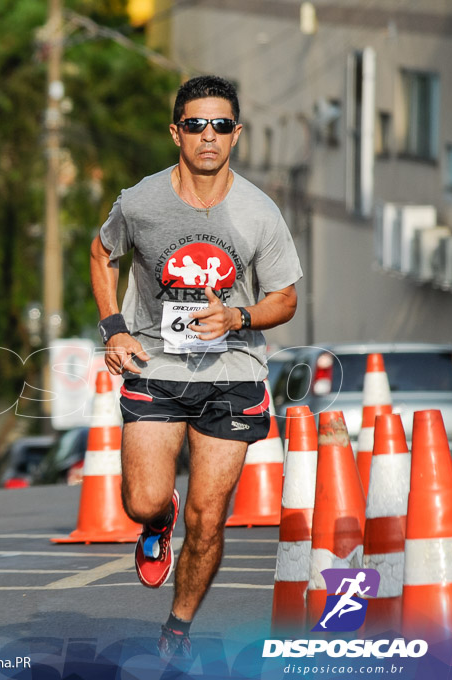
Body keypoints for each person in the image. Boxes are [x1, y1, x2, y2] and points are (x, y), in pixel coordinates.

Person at [89, 75, 302, 661]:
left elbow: (284, 298)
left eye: (220, 125)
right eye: (195, 125)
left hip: (231, 372)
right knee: (142, 499)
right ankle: (159, 520)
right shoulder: (141, 201)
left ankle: (177, 630)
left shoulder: (259, 212)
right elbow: (101, 254)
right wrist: (114, 328)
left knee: (210, 518)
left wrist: (238, 317)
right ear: (175, 132)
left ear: (236, 134)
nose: (208, 136)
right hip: (156, 364)